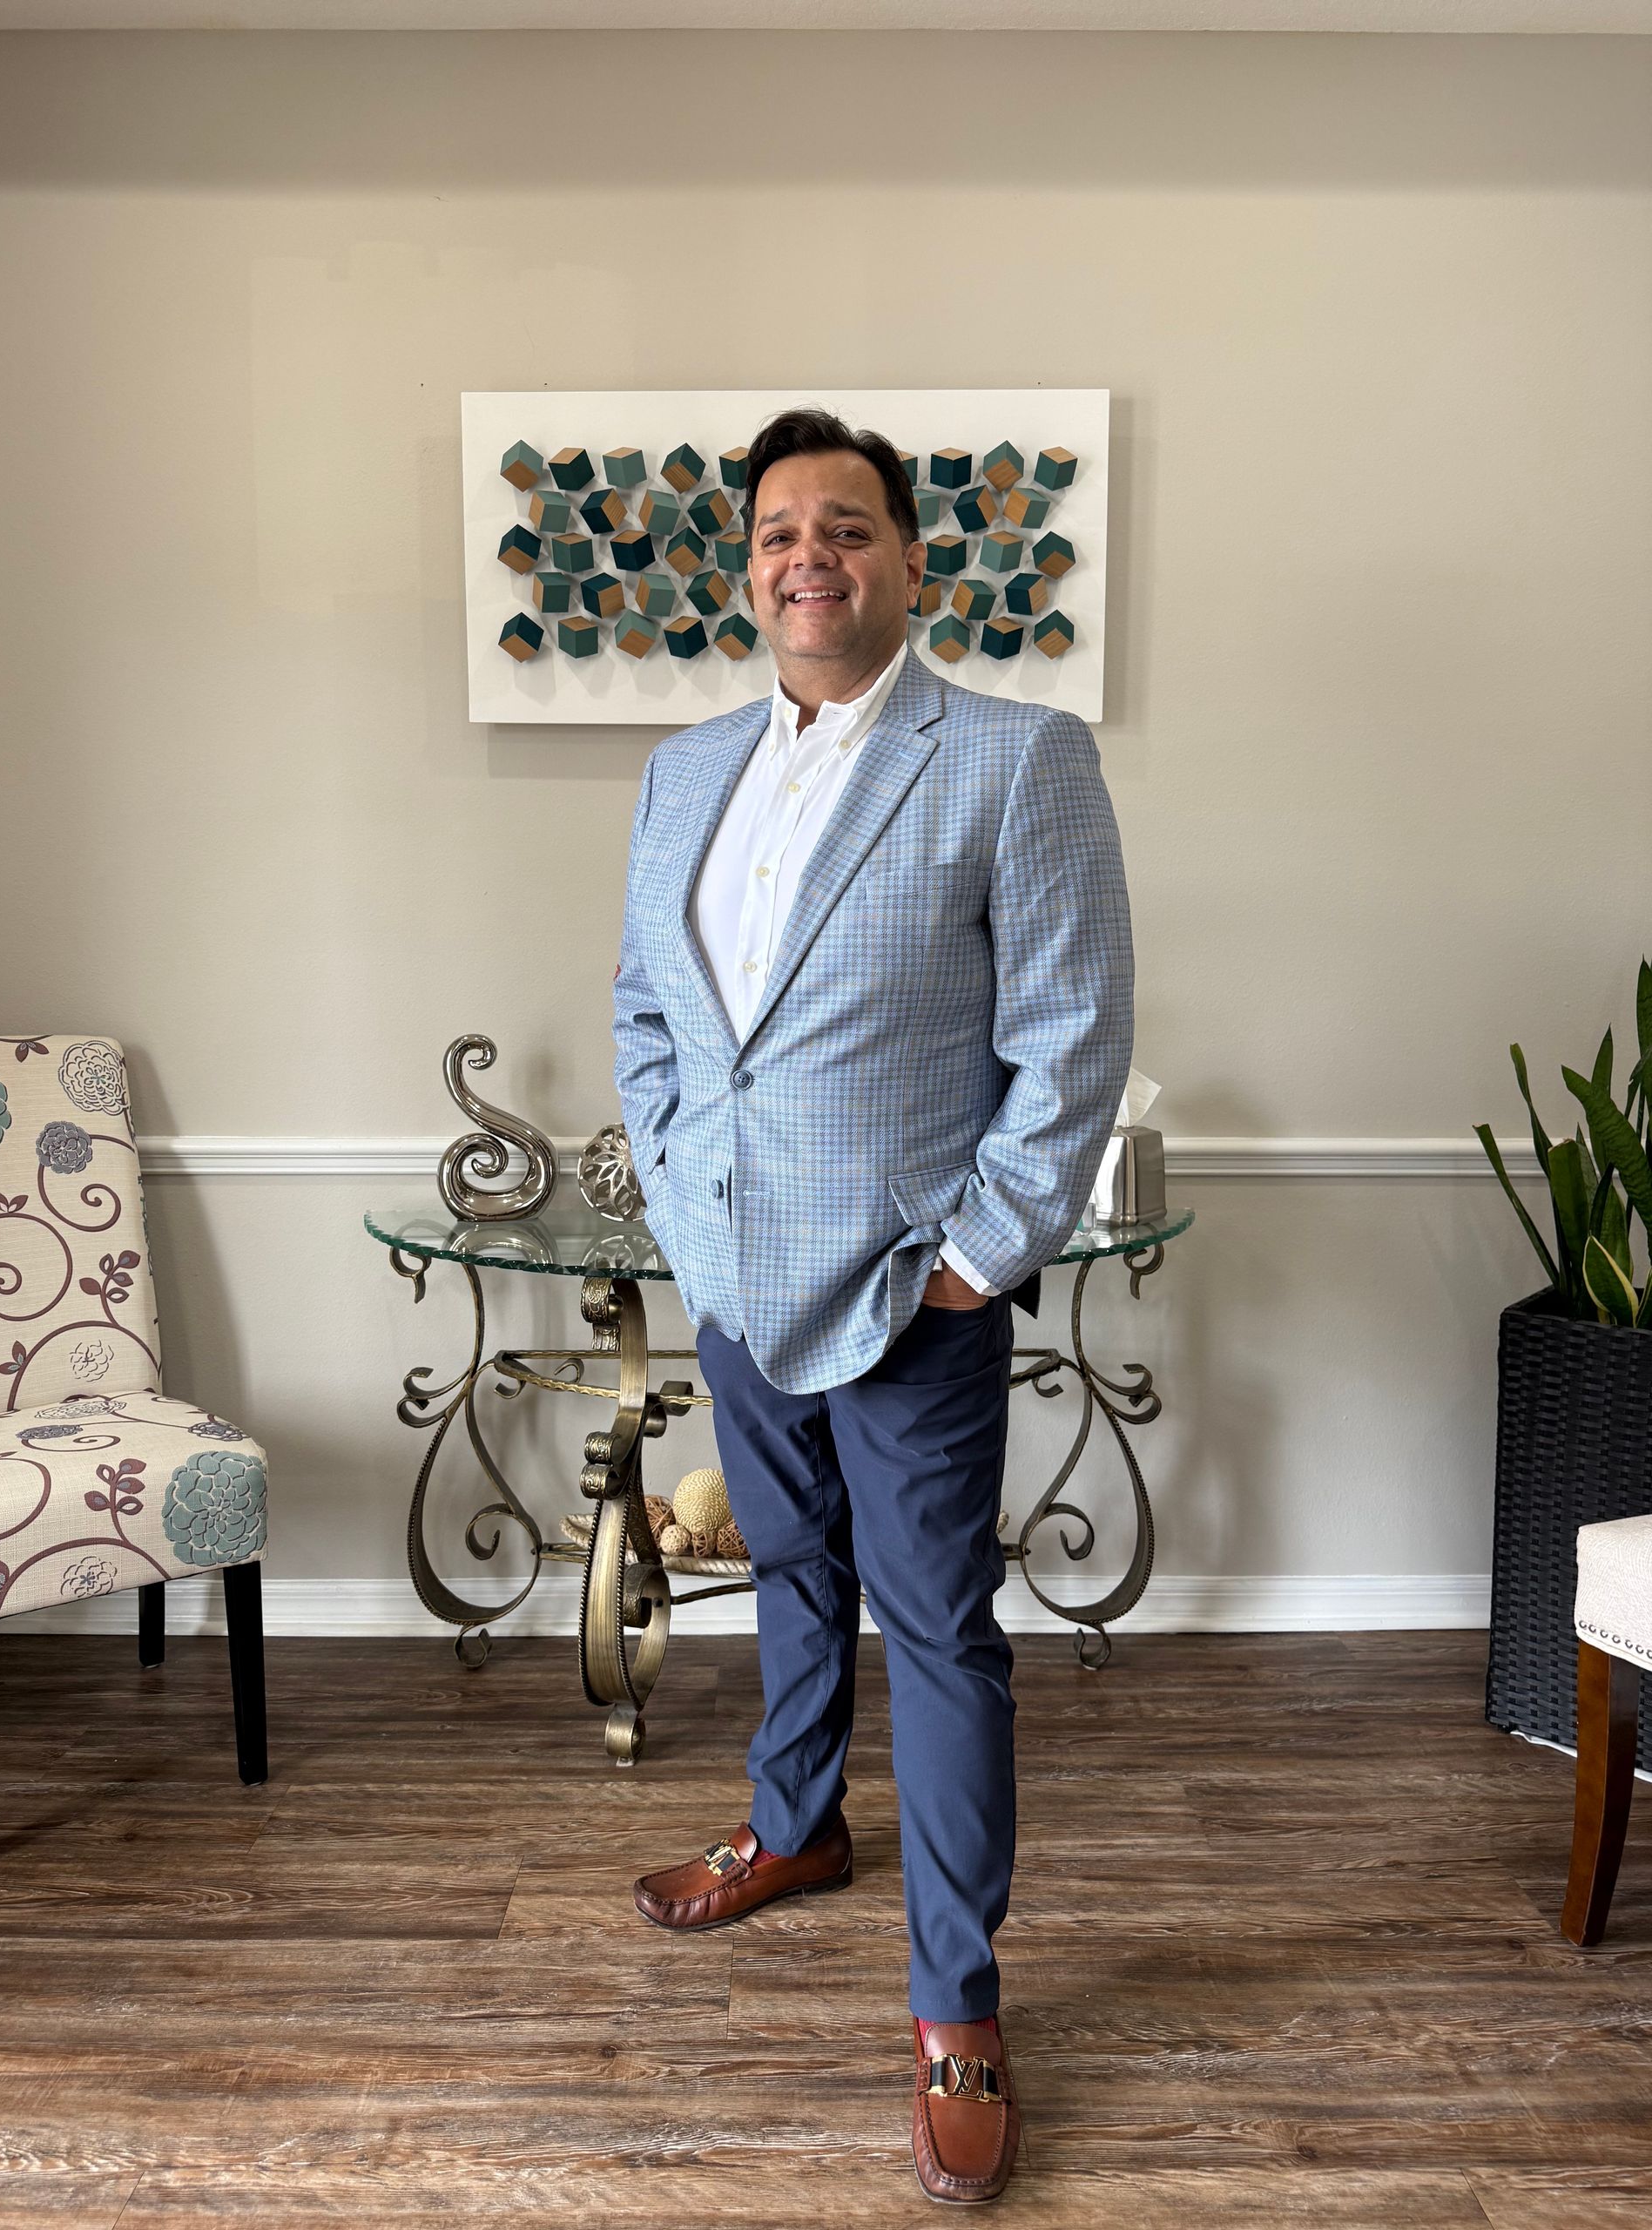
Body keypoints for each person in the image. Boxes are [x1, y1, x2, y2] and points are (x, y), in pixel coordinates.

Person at [610, 405, 1133, 2204]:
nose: (805, 554)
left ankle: (959, 1998)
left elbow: (1070, 1040)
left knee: (942, 1630)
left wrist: (983, 1253)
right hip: (736, 1272)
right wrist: (679, 1194)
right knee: (783, 1560)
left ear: (914, 559)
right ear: (745, 567)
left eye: (845, 525)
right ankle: (791, 1821)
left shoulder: (1012, 760)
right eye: (775, 532)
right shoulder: (684, 774)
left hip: (918, 1289)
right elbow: (647, 1015)